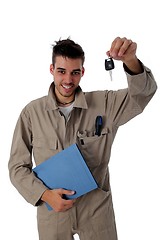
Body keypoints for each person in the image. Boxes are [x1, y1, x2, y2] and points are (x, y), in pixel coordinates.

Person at [8, 37, 157, 240]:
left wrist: (131, 60)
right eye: (61, 71)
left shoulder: (105, 104)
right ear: (51, 69)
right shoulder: (31, 113)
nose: (68, 80)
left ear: (82, 72)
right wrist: (44, 195)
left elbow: (143, 95)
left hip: (97, 210)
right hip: (53, 212)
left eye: (75, 72)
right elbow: (17, 167)